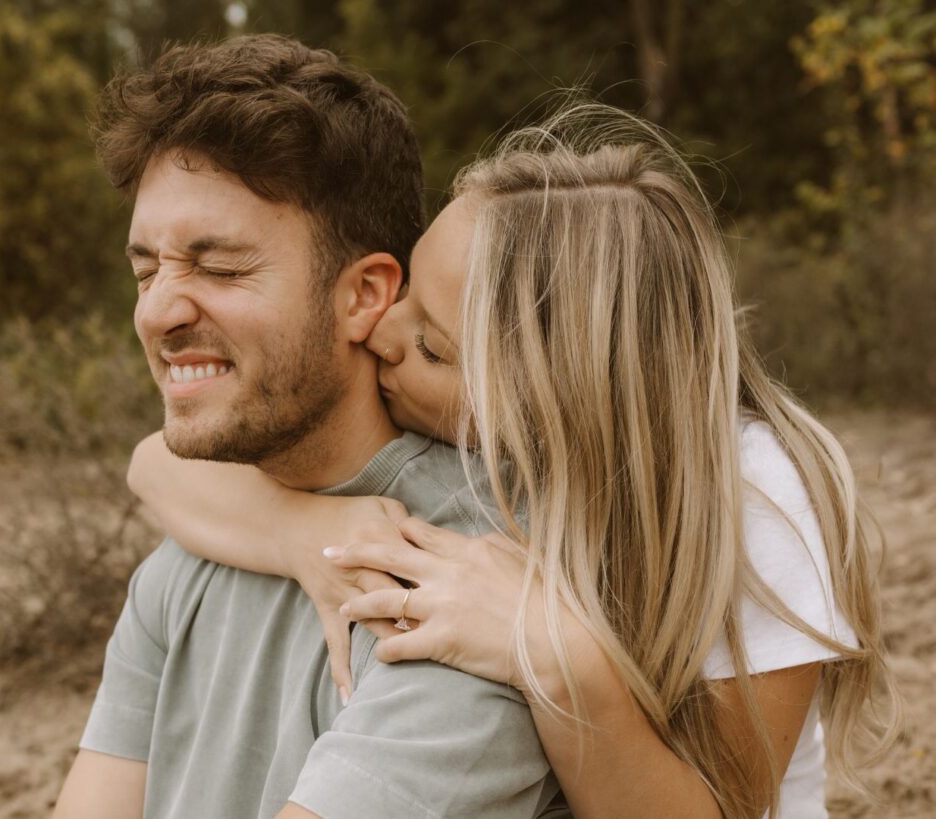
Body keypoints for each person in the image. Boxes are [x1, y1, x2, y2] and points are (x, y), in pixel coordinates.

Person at [128, 104, 901, 818]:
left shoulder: (753, 494)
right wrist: (305, 531)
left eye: (432, 344)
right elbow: (155, 464)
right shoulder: (473, 447)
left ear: (552, 399)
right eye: (406, 295)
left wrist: (557, 653)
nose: (380, 335)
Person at [53, 35, 566, 819]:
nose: (157, 311)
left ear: (364, 294)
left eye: (220, 266)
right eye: (147, 269)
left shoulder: (461, 584)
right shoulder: (194, 549)